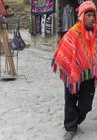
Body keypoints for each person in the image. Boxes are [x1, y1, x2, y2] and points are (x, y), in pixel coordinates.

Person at [51, 1, 97, 140]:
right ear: (82, 16)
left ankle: (75, 120)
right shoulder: (73, 32)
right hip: (72, 74)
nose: (91, 18)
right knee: (70, 100)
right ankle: (70, 128)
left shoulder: (96, 33)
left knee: (86, 105)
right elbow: (64, 50)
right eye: (88, 15)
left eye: (93, 15)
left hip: (89, 74)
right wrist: (69, 68)